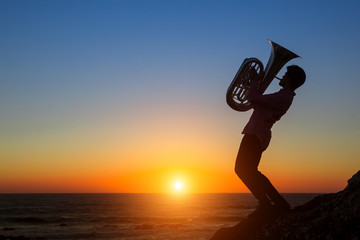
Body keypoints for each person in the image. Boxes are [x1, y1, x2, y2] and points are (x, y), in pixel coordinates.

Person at [235, 65, 306, 212]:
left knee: (244, 170)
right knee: (247, 170)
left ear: (290, 80)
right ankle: (272, 203)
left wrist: (254, 82)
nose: (282, 76)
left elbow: (253, 98)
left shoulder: (283, 97)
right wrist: (254, 83)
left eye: (286, 74)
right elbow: (257, 104)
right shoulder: (282, 95)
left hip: (256, 134)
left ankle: (270, 204)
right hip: (255, 133)